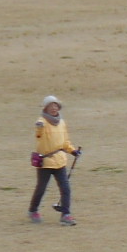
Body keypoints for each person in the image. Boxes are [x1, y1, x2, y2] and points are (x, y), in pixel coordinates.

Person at [29, 94, 79, 225]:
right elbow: (38, 134)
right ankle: (33, 210)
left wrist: (72, 151)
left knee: (66, 189)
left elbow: (65, 142)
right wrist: (39, 127)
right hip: (45, 163)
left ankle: (66, 214)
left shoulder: (62, 123)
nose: (54, 108)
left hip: (60, 161)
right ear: (45, 108)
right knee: (41, 188)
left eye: (56, 105)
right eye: (51, 106)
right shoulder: (41, 122)